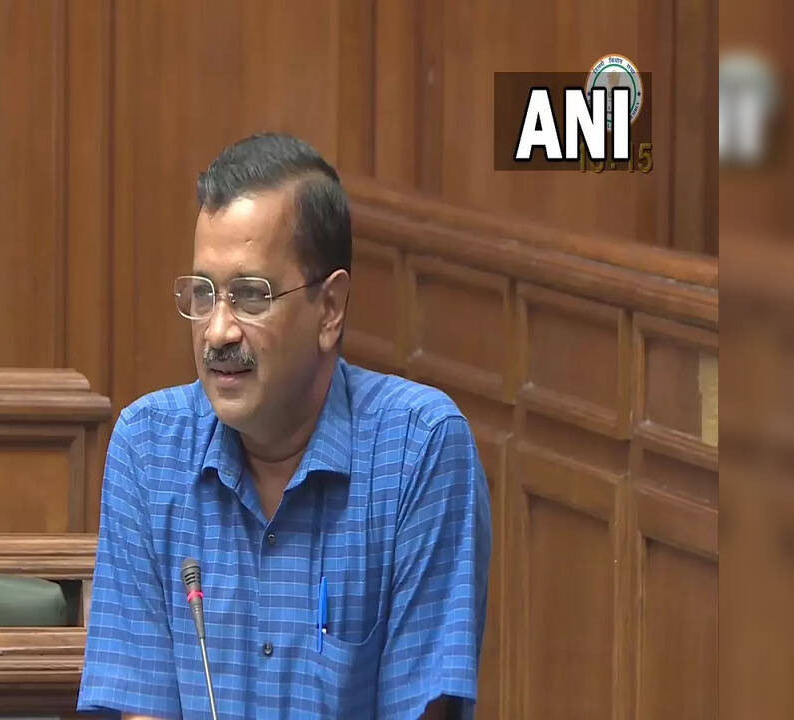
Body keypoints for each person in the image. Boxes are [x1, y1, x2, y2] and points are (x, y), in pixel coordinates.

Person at [77, 133, 490, 719]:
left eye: (250, 296)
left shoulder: (418, 449)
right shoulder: (148, 450)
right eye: (203, 294)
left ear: (330, 309)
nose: (218, 331)